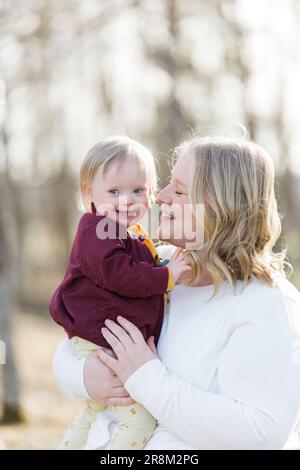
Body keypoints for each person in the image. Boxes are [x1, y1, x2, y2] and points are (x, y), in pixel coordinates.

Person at [53, 136, 300, 450]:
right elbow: (71, 344)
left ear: (221, 207)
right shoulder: (159, 265)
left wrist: (145, 376)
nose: (160, 197)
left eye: (179, 190)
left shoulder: (267, 303)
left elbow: (260, 432)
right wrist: (84, 376)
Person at [49, 136, 190, 450]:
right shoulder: (96, 230)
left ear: (151, 194)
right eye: (114, 191)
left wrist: (162, 264)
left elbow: (139, 266)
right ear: (90, 194)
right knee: (138, 420)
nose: (127, 199)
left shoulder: (131, 234)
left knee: (93, 413)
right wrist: (166, 276)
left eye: (137, 190)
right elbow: (121, 274)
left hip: (109, 341)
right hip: (101, 340)